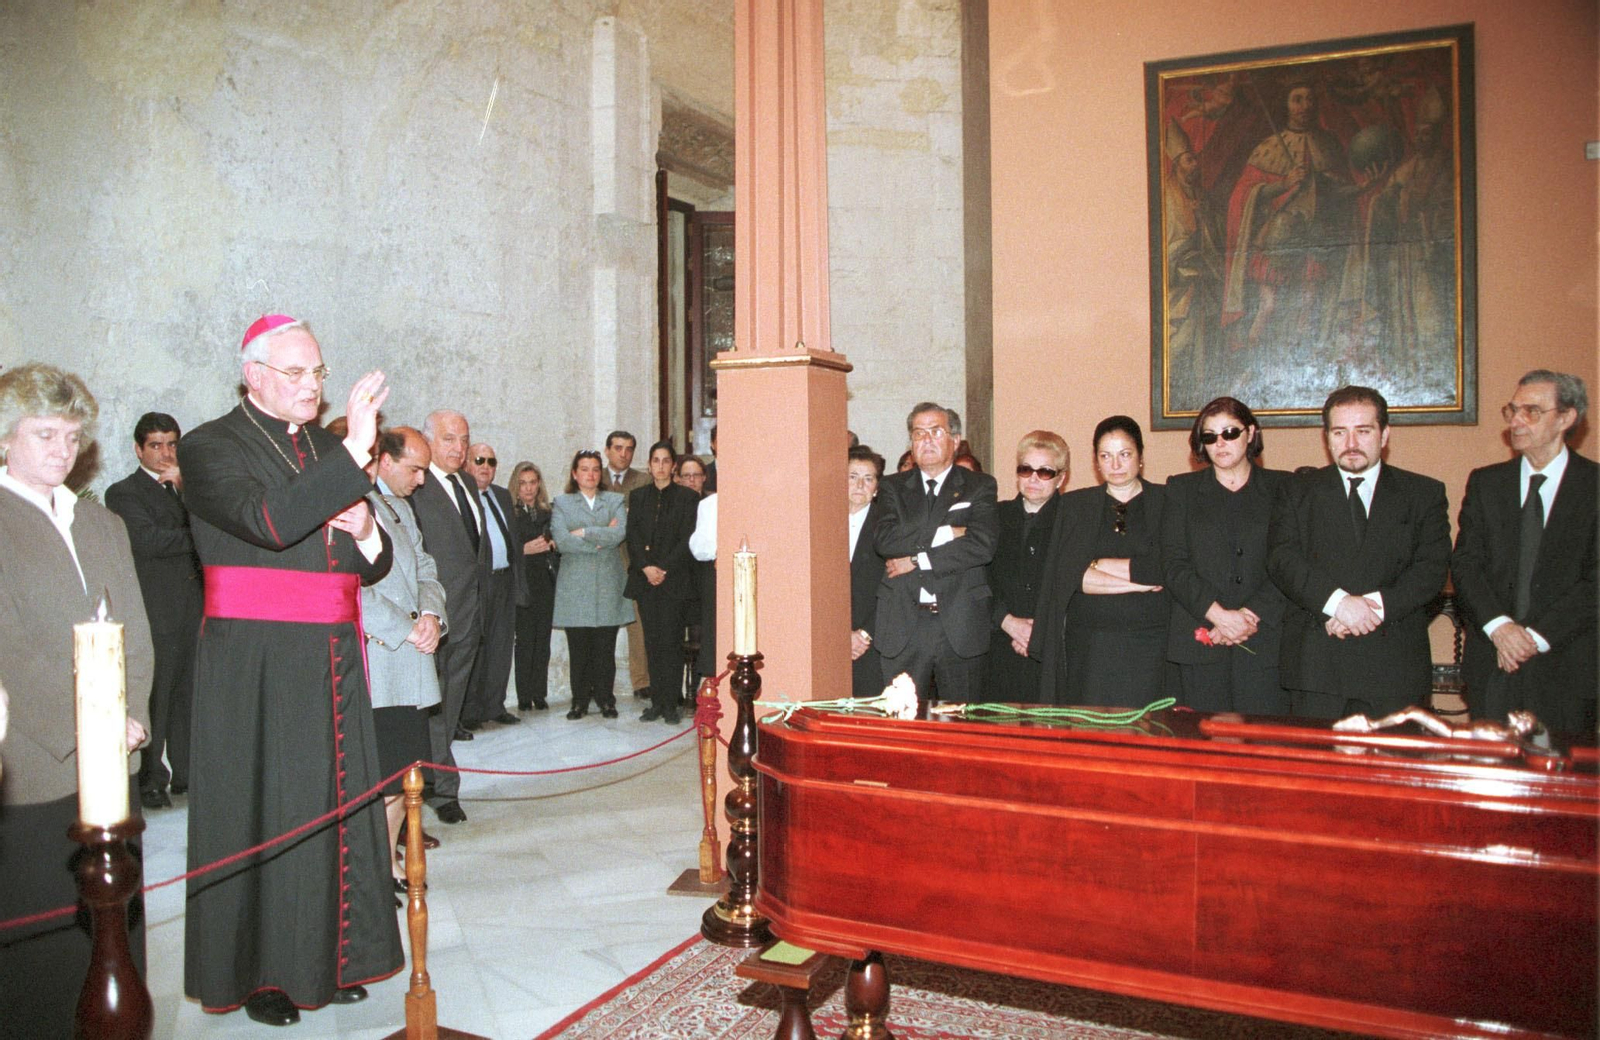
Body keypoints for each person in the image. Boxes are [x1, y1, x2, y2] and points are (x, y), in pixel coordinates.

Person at [178, 315, 401, 1024]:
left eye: (318, 373)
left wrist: (369, 531)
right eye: (297, 374)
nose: (313, 386)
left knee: (332, 809)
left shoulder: (319, 448)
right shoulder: (209, 445)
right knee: (267, 809)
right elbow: (270, 521)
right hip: (258, 661)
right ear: (255, 375)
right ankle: (265, 974)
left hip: (332, 654)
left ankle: (332, 958)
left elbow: (368, 561)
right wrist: (355, 452)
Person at [0, 362, 153, 1036]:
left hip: (113, 759)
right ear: (5, 439)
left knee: (114, 936)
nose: (60, 451)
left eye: (70, 437)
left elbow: (139, 634)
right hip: (39, 762)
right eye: (43, 435)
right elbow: (10, 649)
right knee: (47, 945)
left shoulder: (103, 523)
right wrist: (87, 724)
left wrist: (134, 718)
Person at [1267, 386, 1450, 719]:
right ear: (1327, 438)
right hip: (1317, 668)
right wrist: (1338, 604)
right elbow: (1282, 560)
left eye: (1363, 431)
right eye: (1340, 432)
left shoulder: (1423, 493)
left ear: (1384, 435)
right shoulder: (1295, 491)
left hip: (1394, 670)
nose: (1351, 444)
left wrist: (1367, 610)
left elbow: (1431, 571)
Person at [1451, 371, 1596, 735]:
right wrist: (1501, 629)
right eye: (1513, 410)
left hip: (1567, 669)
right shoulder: (1486, 482)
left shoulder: (1594, 486)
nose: (1516, 421)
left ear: (1566, 418)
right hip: (1492, 665)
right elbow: (1466, 564)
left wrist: (1533, 638)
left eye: (1531, 411)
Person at [1160, 398, 1290, 715]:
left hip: (1266, 643)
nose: (1220, 443)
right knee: (1203, 750)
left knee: (1264, 748)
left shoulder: (1284, 488)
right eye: (1210, 436)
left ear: (1250, 433)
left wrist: (1249, 616)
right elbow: (1174, 565)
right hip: (1201, 641)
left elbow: (1290, 563)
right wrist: (1219, 616)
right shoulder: (1181, 489)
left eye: (1229, 433)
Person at [1032, 416, 1169, 707]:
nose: (1115, 465)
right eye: (1106, 456)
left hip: (1152, 643)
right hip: (1089, 646)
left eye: (1125, 455)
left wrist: (1096, 564)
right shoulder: (1074, 506)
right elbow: (1070, 578)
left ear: (1141, 457)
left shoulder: (1167, 501)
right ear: (1096, 462)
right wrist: (1139, 585)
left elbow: (1164, 570)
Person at [362, 427, 446, 895]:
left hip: (413, 657)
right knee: (383, 776)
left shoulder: (401, 508)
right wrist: (405, 626)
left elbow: (427, 569)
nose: (420, 480)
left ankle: (385, 858)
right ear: (384, 460)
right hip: (381, 657)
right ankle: (371, 866)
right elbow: (352, 589)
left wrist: (432, 614)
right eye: (414, 469)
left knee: (405, 772)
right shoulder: (355, 507)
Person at [104, 410, 201, 809]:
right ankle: (150, 781)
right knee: (157, 696)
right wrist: (199, 533)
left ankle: (187, 774)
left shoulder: (189, 487)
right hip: (156, 610)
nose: (165, 453)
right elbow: (148, 541)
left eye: (172, 444)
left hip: (196, 606)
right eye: (156, 445)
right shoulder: (124, 492)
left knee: (189, 695)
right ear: (138, 449)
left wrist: (188, 493)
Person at [873, 402, 999, 704]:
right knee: (901, 724)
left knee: (961, 726)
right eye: (918, 433)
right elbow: (886, 540)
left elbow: (981, 545)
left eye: (935, 431)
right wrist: (948, 531)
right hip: (904, 622)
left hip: (959, 623)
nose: (926, 440)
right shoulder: (892, 486)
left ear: (955, 441)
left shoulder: (979, 485)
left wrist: (917, 559)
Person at [409, 409, 489, 825]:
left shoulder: (468, 485)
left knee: (451, 707)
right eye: (448, 439)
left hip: (469, 616)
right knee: (431, 710)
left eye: (464, 439)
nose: (459, 448)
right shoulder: (416, 491)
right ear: (428, 441)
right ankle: (436, 789)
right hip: (434, 618)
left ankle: (439, 783)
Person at [982, 430, 1067, 703]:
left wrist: (1039, 633)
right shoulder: (994, 516)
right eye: (1025, 469)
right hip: (998, 646)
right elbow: (978, 578)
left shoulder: (1073, 521)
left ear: (1061, 478)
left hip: (1055, 649)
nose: (1033, 478)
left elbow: (1076, 585)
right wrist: (1006, 622)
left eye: (1045, 472)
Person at [625, 441, 700, 724]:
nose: (660, 466)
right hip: (646, 581)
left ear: (673, 466)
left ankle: (672, 703)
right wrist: (646, 568)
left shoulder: (686, 498)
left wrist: (663, 568)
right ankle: (656, 702)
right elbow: (632, 538)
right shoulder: (638, 496)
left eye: (665, 461)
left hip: (673, 580)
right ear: (649, 465)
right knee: (653, 642)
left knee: (671, 642)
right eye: (655, 460)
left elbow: (686, 540)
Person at [553, 449, 630, 719]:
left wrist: (585, 532)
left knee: (604, 648)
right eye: (584, 469)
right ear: (575, 474)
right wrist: (600, 539)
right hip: (575, 585)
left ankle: (606, 699)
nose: (591, 474)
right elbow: (562, 541)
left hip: (608, 583)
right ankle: (579, 701)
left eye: (596, 469)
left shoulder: (615, 500)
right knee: (580, 648)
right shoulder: (562, 503)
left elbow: (619, 533)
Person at [459, 442, 524, 729]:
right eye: (479, 460)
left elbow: (513, 541)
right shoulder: (461, 496)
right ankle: (470, 711)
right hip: (478, 584)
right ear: (466, 464)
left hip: (504, 580)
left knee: (500, 645)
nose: (486, 467)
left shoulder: (501, 496)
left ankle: (495, 705)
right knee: (477, 646)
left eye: (492, 462)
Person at [604, 430, 652, 701]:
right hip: (602, 561)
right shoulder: (593, 477)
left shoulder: (642, 480)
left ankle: (641, 681)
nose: (623, 454)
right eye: (618, 448)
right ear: (607, 450)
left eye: (629, 449)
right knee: (602, 628)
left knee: (638, 624)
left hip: (633, 561)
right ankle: (599, 685)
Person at [509, 460, 558, 712]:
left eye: (532, 483)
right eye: (523, 483)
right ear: (516, 486)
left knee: (543, 641)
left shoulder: (548, 513)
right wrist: (523, 550)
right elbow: (504, 549)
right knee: (525, 641)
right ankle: (523, 696)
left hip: (545, 582)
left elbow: (557, 543)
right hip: (522, 583)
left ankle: (540, 694)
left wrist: (554, 545)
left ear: (539, 485)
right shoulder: (510, 513)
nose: (528, 489)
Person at [846, 445, 887, 699]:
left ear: (876, 488)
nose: (860, 484)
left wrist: (862, 635)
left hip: (872, 641)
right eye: (852, 477)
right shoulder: (821, 522)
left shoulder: (887, 525)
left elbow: (892, 587)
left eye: (868, 478)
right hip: (829, 638)